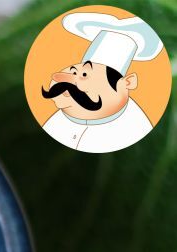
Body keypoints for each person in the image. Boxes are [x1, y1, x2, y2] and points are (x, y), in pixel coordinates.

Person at [41, 11, 164, 153]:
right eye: (74, 71)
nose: (68, 81)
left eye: (85, 75)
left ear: (127, 83)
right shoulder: (56, 118)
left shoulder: (134, 128)